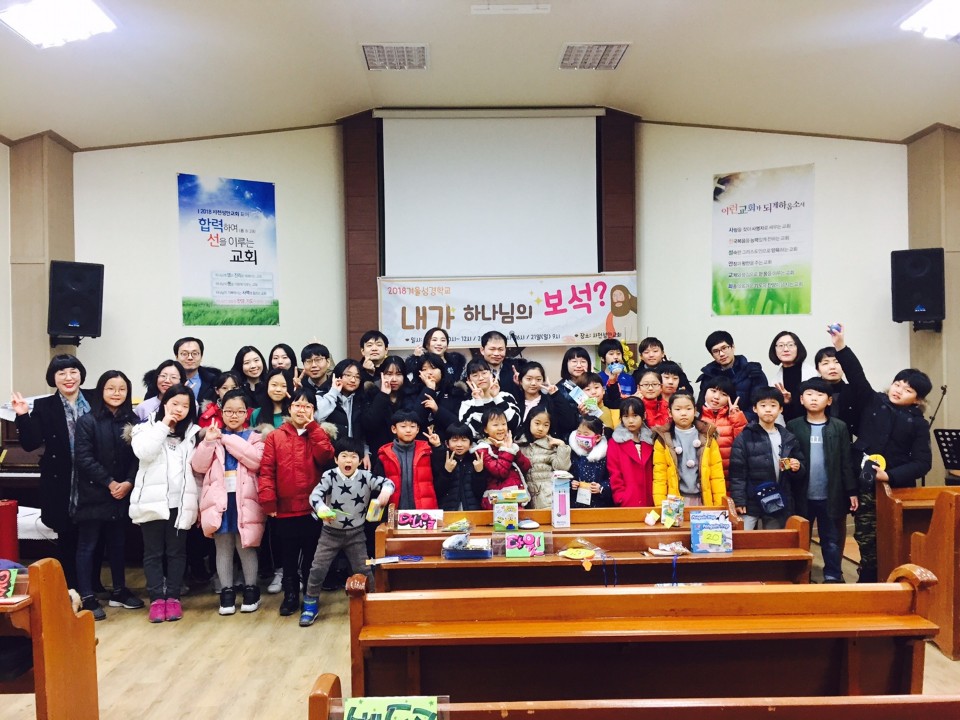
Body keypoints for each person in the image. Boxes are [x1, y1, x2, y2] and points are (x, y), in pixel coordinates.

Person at [841, 354, 932, 582]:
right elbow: (856, 375)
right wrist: (841, 347)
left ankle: (894, 580)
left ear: (918, 399)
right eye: (897, 384)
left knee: (895, 538)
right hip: (866, 487)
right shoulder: (874, 401)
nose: (899, 391)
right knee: (866, 537)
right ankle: (868, 579)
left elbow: (923, 463)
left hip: (897, 489)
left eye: (907, 390)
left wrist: (888, 475)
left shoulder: (918, 424)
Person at [12, 354, 97, 589]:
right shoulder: (44, 406)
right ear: (53, 378)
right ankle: (70, 587)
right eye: (62, 373)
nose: (68, 378)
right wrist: (22, 415)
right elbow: (30, 444)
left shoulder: (95, 399)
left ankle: (93, 585)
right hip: (62, 481)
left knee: (94, 532)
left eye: (73, 372)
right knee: (67, 535)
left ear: (81, 375)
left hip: (93, 478)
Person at [300, 437, 395, 627]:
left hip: (356, 534)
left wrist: (385, 492)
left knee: (364, 569)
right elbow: (315, 496)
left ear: (360, 460)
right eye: (343, 456)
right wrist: (321, 509)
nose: (348, 460)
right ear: (336, 459)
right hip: (329, 533)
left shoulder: (366, 476)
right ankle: (310, 603)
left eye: (353, 456)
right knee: (318, 568)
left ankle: (374, 602)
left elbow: (389, 483)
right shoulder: (329, 476)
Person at [257, 389, 335, 616]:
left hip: (312, 508)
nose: (302, 410)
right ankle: (290, 595)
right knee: (288, 556)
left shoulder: (318, 433)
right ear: (290, 409)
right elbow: (267, 471)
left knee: (311, 556)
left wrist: (313, 428)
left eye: (308, 406)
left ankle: (311, 595)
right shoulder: (275, 436)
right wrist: (268, 501)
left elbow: (326, 456)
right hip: (285, 508)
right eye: (298, 405)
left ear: (313, 410)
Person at [73, 370, 143, 620]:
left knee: (118, 543)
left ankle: (119, 590)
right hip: (94, 492)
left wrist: (129, 482)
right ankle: (87, 596)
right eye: (111, 388)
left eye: (122, 389)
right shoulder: (87, 421)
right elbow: (83, 458)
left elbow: (139, 456)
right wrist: (110, 482)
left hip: (122, 492)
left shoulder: (133, 421)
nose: (116, 393)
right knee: (88, 545)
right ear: (101, 391)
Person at [129, 384, 201, 623]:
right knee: (153, 553)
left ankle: (173, 597)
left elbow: (197, 469)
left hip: (180, 503)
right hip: (152, 502)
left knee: (176, 553)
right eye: (174, 404)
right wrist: (163, 425)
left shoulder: (191, 433)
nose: (179, 409)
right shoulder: (144, 428)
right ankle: (156, 599)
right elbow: (145, 453)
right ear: (164, 404)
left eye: (185, 406)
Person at [193, 388, 266, 615]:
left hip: (246, 500)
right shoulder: (211, 436)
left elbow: (256, 460)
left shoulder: (255, 437)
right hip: (219, 500)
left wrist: (225, 439)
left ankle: (251, 591)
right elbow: (198, 466)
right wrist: (208, 442)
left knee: (246, 545)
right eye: (229, 411)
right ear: (221, 411)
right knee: (222, 547)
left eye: (239, 411)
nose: (234, 415)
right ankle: (226, 593)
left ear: (247, 413)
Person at [786, 378, 857, 583]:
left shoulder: (839, 427)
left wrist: (851, 491)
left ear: (829, 401)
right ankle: (801, 577)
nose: (814, 398)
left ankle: (833, 576)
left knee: (831, 540)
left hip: (830, 495)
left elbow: (846, 462)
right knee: (801, 539)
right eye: (809, 394)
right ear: (801, 399)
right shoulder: (793, 426)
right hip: (802, 496)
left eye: (819, 395)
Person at [728, 386, 806, 530]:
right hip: (751, 500)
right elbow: (737, 473)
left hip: (778, 499)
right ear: (755, 408)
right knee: (743, 538)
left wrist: (797, 467)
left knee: (774, 539)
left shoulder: (788, 437)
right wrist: (739, 501)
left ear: (780, 409)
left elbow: (800, 467)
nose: (768, 410)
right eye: (763, 405)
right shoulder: (745, 437)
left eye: (773, 405)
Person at [651, 392, 726, 507]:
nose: (683, 413)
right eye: (678, 409)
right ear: (670, 412)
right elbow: (660, 477)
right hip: (674, 501)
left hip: (703, 499)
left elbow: (717, 476)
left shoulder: (707, 436)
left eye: (688, 409)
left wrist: (719, 507)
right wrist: (660, 506)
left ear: (695, 411)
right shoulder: (663, 439)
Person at [696, 331, 767, 422]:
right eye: (716, 351)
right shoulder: (708, 376)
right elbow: (702, 406)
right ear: (712, 355)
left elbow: (762, 404)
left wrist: (740, 419)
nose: (721, 354)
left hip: (747, 426)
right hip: (716, 426)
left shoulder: (753, 372)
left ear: (733, 347)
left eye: (724, 348)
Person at [375, 410, 440, 510]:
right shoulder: (384, 455)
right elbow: (377, 484)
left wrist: (437, 447)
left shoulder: (427, 451)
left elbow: (440, 474)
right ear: (394, 429)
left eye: (412, 426)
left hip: (424, 512)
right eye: (403, 426)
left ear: (417, 429)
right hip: (395, 511)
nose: (408, 430)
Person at [360, 355, 424, 454]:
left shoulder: (412, 394)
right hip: (380, 451)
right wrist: (383, 395)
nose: (394, 379)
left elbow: (417, 422)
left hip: (409, 451)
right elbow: (370, 424)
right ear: (382, 375)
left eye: (398, 374)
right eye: (389, 374)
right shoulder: (372, 393)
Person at [474, 407, 531, 509]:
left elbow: (526, 467)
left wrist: (513, 449)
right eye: (495, 425)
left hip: (516, 496)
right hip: (497, 500)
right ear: (485, 429)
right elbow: (500, 472)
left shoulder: (509, 445)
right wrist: (506, 450)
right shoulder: (482, 449)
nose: (501, 428)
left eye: (504, 424)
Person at [517, 409, 571, 509]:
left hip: (547, 498)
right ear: (529, 422)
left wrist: (562, 445)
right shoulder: (519, 444)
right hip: (525, 498)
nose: (541, 428)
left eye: (546, 425)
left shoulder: (550, 445)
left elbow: (562, 468)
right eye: (537, 423)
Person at [608, 397, 655, 507]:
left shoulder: (651, 440)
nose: (630, 421)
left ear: (644, 416)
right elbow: (614, 472)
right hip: (628, 500)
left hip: (650, 498)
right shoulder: (615, 442)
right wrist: (620, 497)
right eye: (626, 416)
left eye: (635, 416)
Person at [458, 358, 522, 439]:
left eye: (484, 373)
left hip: (507, 443)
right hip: (481, 445)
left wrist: (496, 397)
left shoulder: (506, 397)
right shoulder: (467, 404)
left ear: (491, 374)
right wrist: (478, 402)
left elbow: (515, 423)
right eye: (475, 375)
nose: (481, 378)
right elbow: (473, 433)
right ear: (469, 380)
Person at [513, 361, 578, 439]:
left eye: (538, 379)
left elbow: (570, 423)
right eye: (529, 379)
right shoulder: (514, 401)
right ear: (520, 381)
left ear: (543, 381)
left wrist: (556, 394)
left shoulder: (550, 401)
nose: (533, 383)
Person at [697, 376, 747, 479]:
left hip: (728, 475)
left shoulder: (733, 418)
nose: (716, 397)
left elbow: (744, 443)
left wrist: (736, 417)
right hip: (703, 475)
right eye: (713, 391)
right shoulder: (696, 417)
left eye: (723, 394)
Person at [432, 423, 487, 511]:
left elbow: (480, 492)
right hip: (448, 512)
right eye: (454, 440)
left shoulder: (476, 461)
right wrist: (446, 471)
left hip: (473, 512)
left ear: (471, 444)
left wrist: (479, 472)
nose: (459, 444)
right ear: (447, 443)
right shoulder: (441, 459)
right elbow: (437, 491)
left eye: (464, 440)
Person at [767, 331, 817, 423]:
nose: (785, 349)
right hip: (787, 428)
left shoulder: (814, 374)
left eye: (790, 345)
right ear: (775, 350)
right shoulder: (774, 382)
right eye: (781, 345)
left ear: (798, 348)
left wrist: (794, 400)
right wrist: (788, 402)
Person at [569, 416, 612, 508]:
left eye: (586, 434)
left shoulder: (606, 454)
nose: (581, 437)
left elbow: (613, 478)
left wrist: (602, 488)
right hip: (575, 505)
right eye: (579, 433)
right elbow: (565, 474)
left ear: (598, 437)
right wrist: (571, 484)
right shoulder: (572, 452)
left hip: (599, 506)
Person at [476, 330, 522, 398]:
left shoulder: (516, 368)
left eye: (500, 349)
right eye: (492, 349)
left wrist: (522, 384)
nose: (496, 354)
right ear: (482, 350)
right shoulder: (474, 369)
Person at [174, 337, 220, 403]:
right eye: (184, 354)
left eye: (195, 353)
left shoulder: (214, 380)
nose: (190, 358)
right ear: (176, 357)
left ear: (201, 356)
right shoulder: (168, 380)